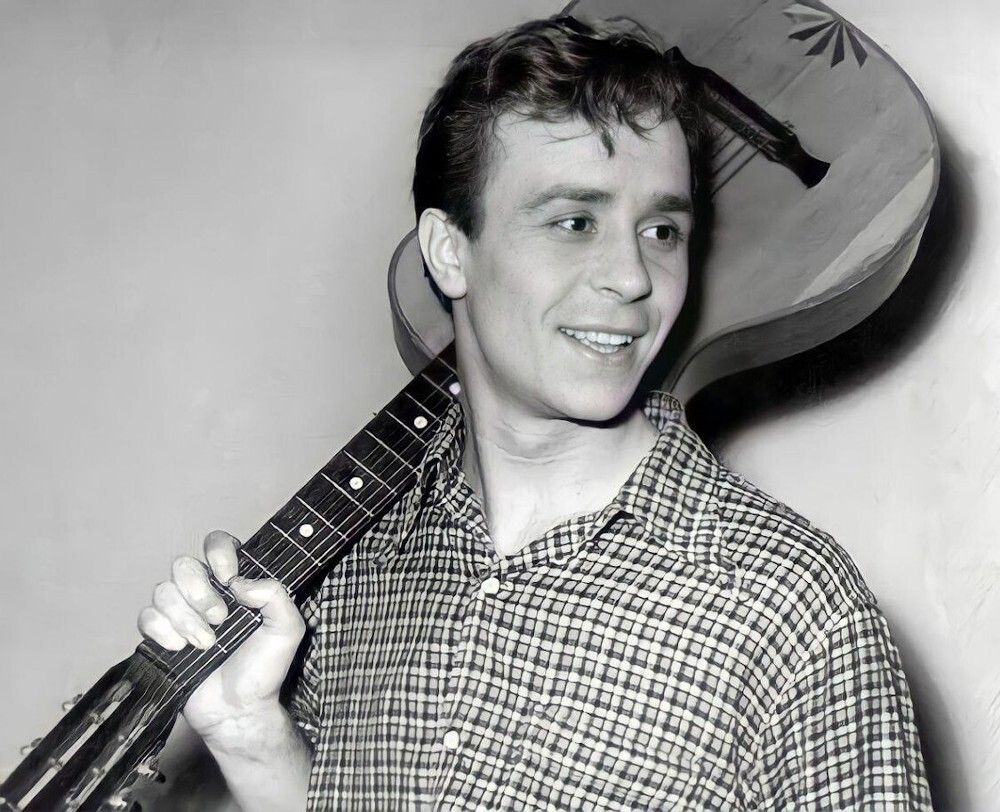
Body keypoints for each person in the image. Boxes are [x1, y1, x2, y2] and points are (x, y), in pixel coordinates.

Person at [137, 15, 931, 810]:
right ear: (450, 251)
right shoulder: (349, 575)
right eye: (575, 223)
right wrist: (252, 738)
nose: (633, 277)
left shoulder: (794, 607)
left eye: (661, 230)